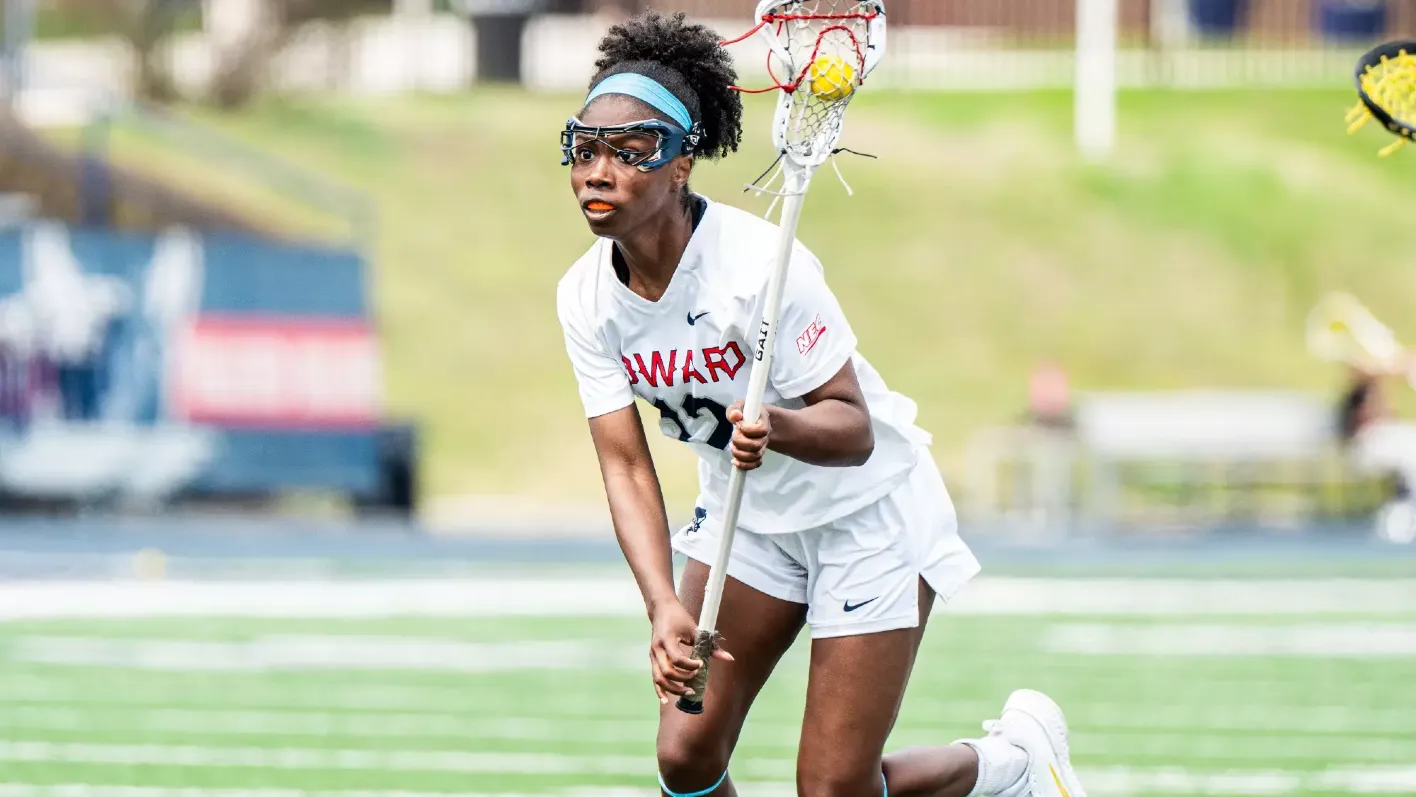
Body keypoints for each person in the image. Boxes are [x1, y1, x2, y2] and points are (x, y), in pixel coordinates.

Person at [554, 12, 1089, 797]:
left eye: (631, 151)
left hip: (865, 514)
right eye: (584, 149)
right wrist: (664, 602)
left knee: (834, 789)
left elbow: (854, 428)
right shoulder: (584, 297)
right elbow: (626, 467)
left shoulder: (759, 267)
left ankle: (1012, 766)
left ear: (680, 166)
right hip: (749, 523)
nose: (599, 171)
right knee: (685, 756)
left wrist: (780, 427)